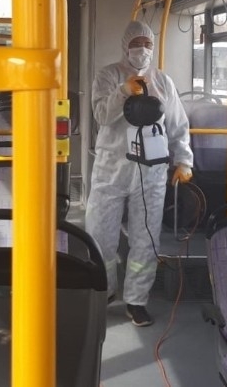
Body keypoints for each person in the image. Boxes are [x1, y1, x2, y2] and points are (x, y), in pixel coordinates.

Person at [85, 20, 193, 327]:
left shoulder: (163, 82)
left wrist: (184, 161)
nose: (142, 50)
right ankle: (103, 291)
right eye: (136, 44)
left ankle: (136, 300)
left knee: (146, 237)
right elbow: (101, 115)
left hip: (151, 171)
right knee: (100, 234)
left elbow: (177, 125)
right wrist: (123, 91)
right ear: (125, 45)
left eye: (148, 44)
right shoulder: (108, 75)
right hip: (112, 168)